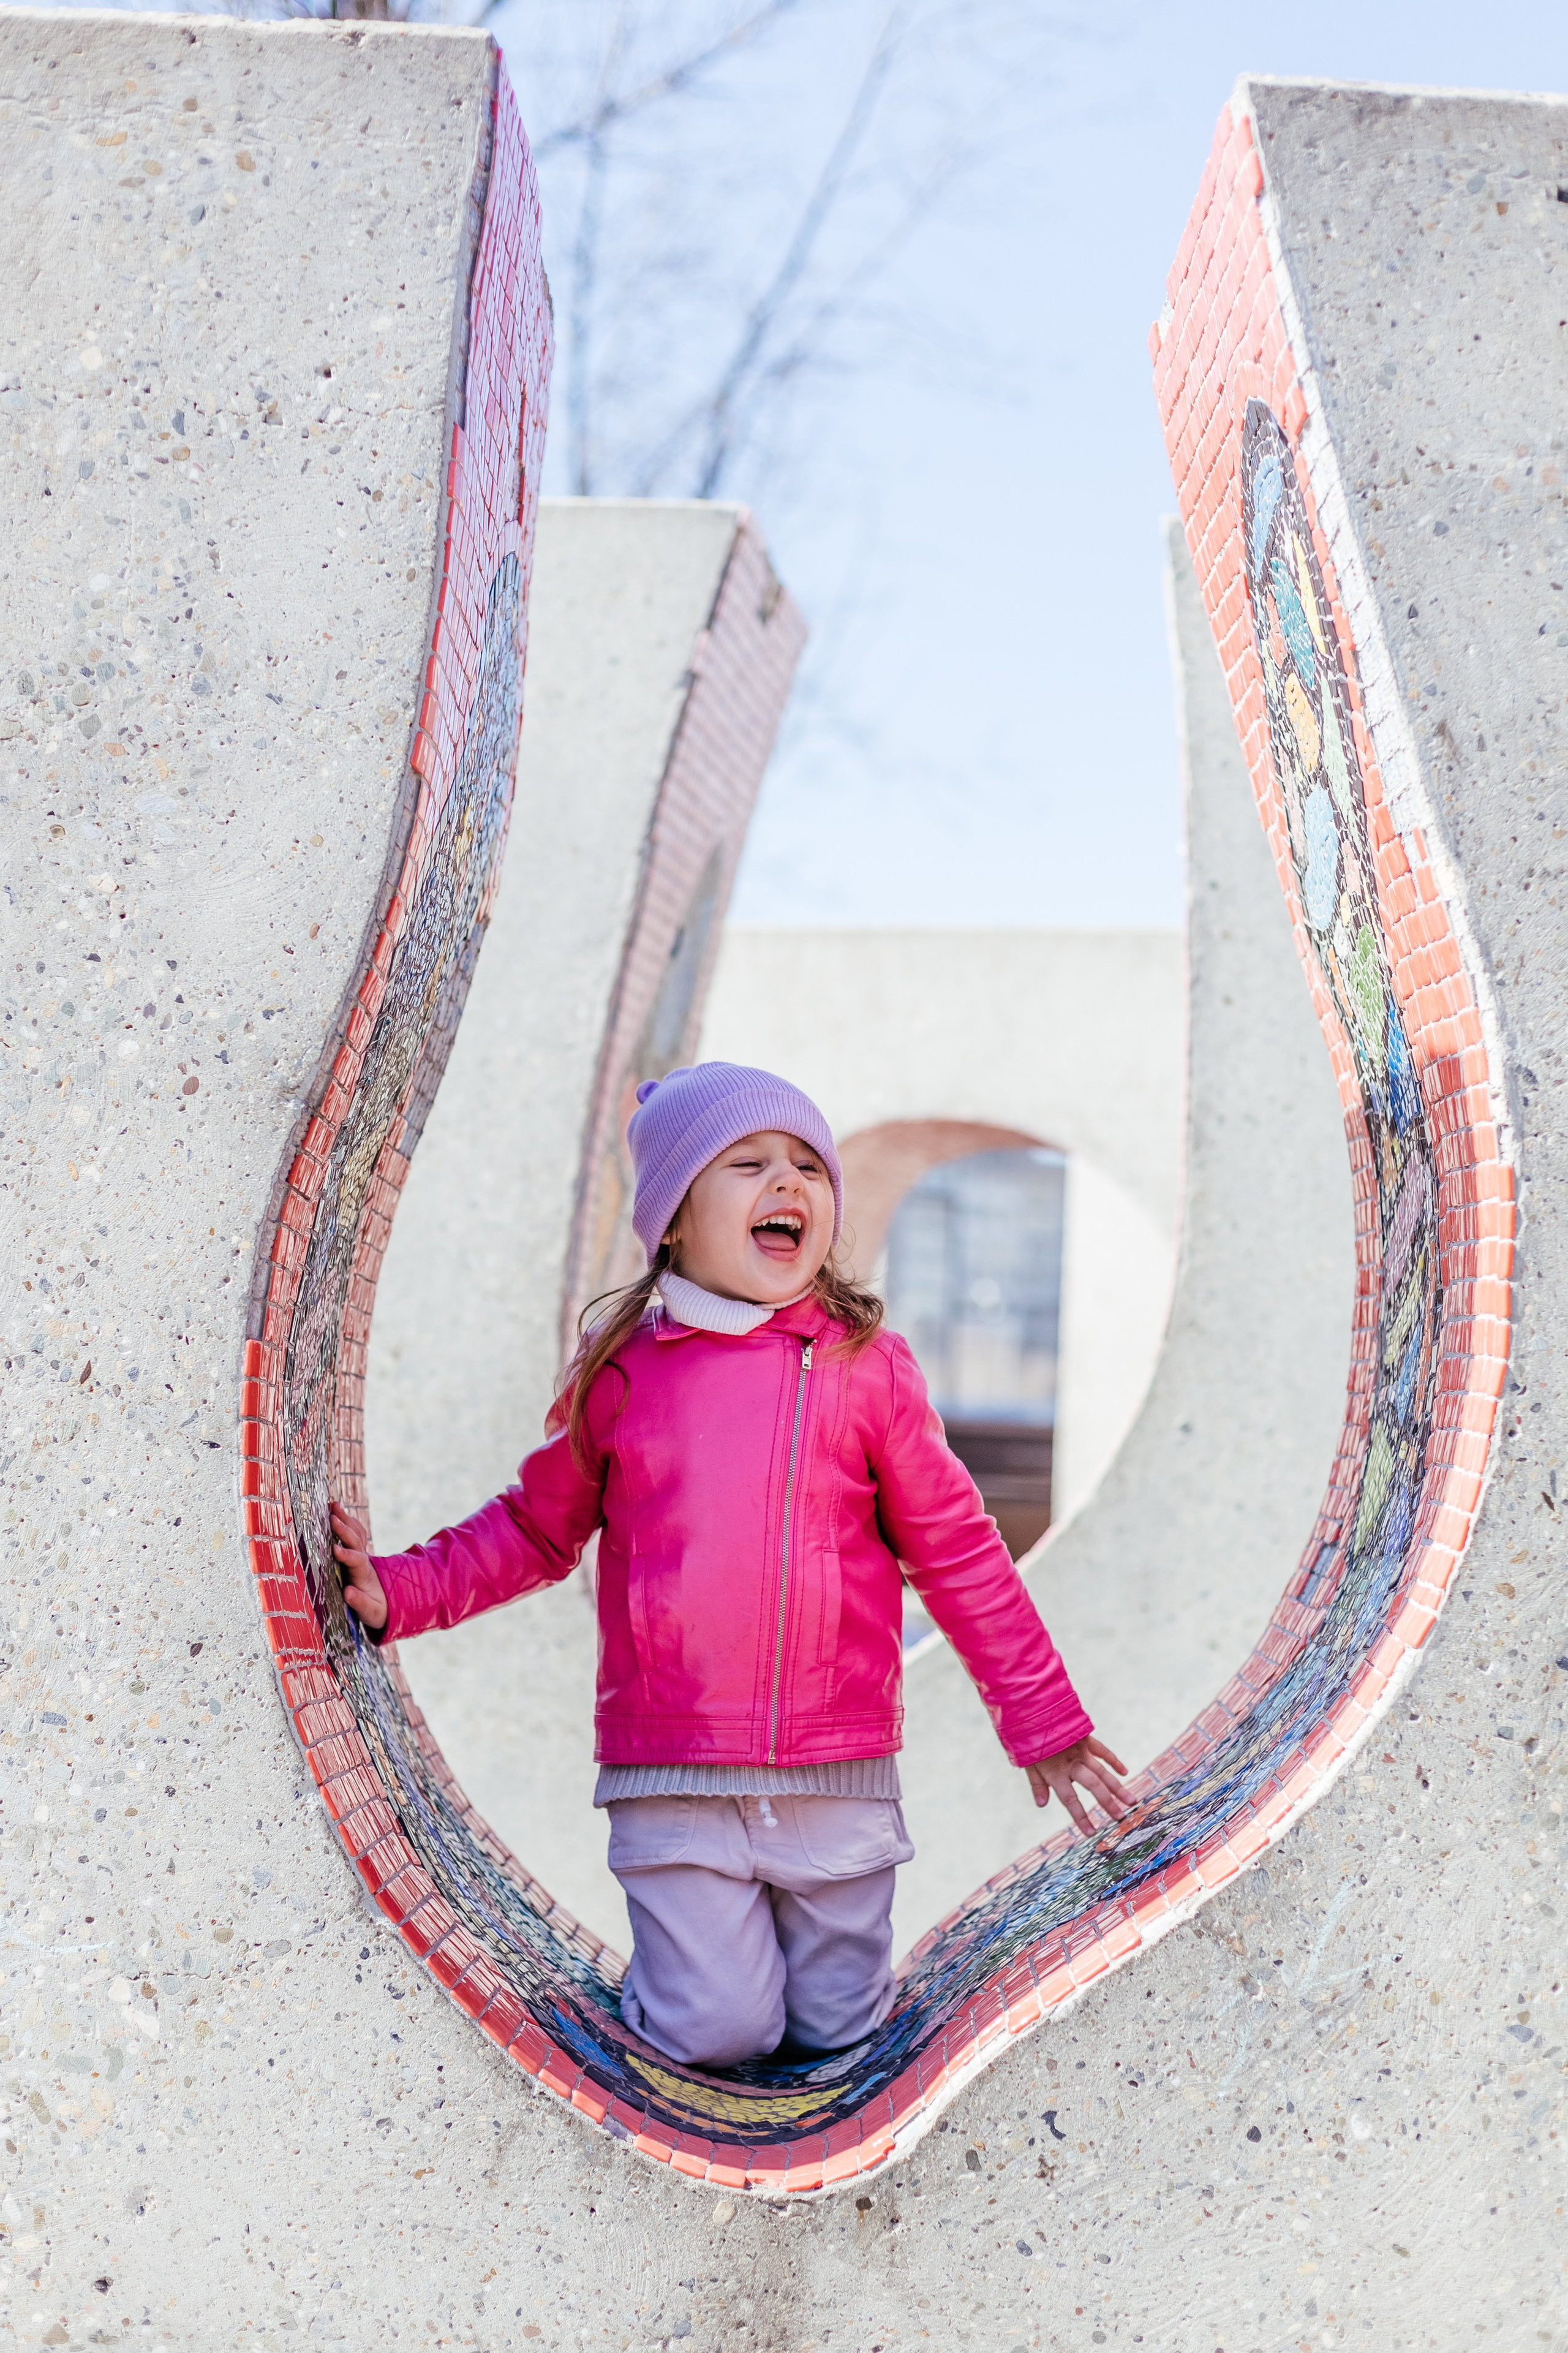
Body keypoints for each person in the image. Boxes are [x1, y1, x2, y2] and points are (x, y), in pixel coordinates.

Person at [330, 1062, 1131, 2071]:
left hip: (835, 1780)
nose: (786, 1181)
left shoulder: (865, 1367)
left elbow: (959, 1550)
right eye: (747, 1162)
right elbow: (535, 1530)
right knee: (719, 2029)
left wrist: (1043, 1721)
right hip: (676, 1781)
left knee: (843, 2037)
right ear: (673, 1218)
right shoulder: (626, 1376)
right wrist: (400, 1590)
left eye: (806, 1164)